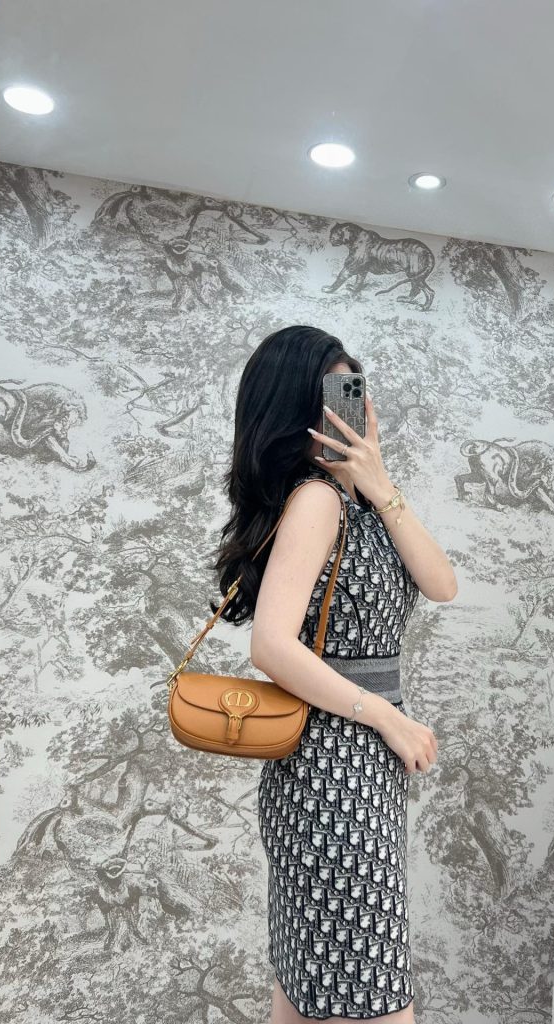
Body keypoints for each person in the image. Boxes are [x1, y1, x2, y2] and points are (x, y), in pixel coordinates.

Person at [212, 325, 457, 1021]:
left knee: (314, 982)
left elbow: (442, 584)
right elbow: (271, 646)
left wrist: (380, 484)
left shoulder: (360, 506)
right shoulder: (316, 502)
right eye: (333, 396)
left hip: (355, 768)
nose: (352, 409)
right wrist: (385, 716)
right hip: (332, 768)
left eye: (354, 390)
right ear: (298, 413)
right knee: (369, 989)